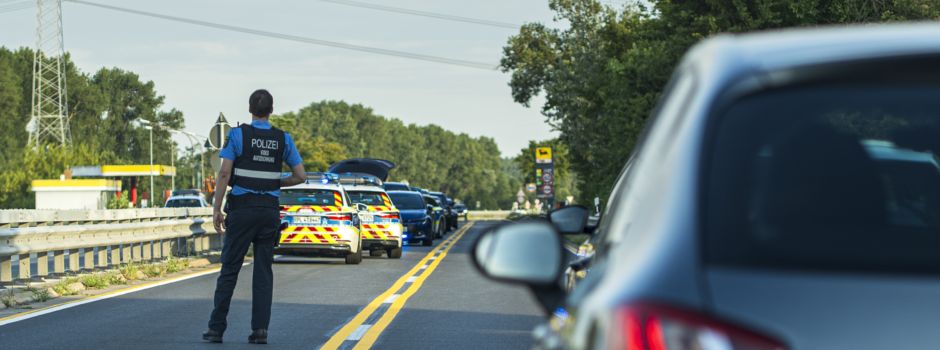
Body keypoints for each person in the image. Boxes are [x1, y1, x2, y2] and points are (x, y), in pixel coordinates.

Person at [203, 89, 306, 344]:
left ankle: (216, 329)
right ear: (271, 110)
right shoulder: (283, 139)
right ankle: (260, 331)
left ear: (250, 109)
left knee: (230, 269)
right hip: (268, 212)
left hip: (242, 211)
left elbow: (224, 174)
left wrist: (216, 208)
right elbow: (300, 176)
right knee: (263, 272)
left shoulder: (238, 135)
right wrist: (275, 182)